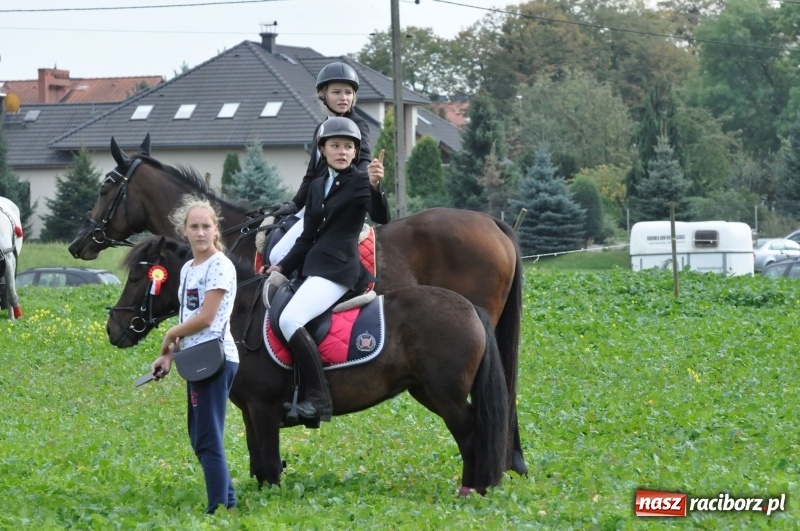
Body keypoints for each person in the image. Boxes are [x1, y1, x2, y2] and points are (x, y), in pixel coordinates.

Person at [264, 116, 389, 422]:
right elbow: (307, 236)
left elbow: (381, 216)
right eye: (335, 146)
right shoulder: (318, 185)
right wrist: (281, 266)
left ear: (356, 152)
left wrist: (375, 187)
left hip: (340, 271)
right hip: (312, 267)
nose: (342, 151)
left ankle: (320, 400)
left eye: (349, 147)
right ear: (323, 149)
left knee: (292, 319)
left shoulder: (361, 182)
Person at [150, 196, 239, 515]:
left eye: (206, 226)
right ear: (183, 231)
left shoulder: (220, 266)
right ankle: (227, 501)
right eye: (194, 227)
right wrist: (170, 356)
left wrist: (170, 335)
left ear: (216, 230)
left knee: (208, 437)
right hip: (194, 358)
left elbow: (206, 317)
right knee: (200, 435)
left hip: (216, 357)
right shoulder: (189, 267)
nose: (200, 232)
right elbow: (185, 317)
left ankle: (218, 508)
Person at [261, 61, 386, 269]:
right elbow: (311, 175)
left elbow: (362, 160)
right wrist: (294, 204)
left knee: (277, 256)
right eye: (336, 92)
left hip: (340, 205)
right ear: (322, 94)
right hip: (317, 200)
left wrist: (367, 180)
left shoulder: (358, 124)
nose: (343, 98)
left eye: (348, 92)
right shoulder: (321, 128)